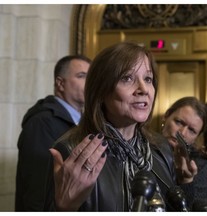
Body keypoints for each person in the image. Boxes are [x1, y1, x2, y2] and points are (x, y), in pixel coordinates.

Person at [44, 42, 197, 212]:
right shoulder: (72, 150)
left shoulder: (161, 147)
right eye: (127, 78)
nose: (143, 89)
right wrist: (65, 208)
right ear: (101, 91)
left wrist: (186, 184)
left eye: (148, 79)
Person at [15, 55, 91, 211]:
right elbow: (37, 189)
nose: (89, 83)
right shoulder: (42, 122)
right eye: (81, 76)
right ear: (60, 83)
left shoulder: (85, 122)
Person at [160, 96, 207, 208]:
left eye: (192, 130)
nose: (182, 132)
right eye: (179, 122)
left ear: (197, 137)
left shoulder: (202, 169)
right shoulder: (142, 149)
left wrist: (186, 182)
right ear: (166, 116)